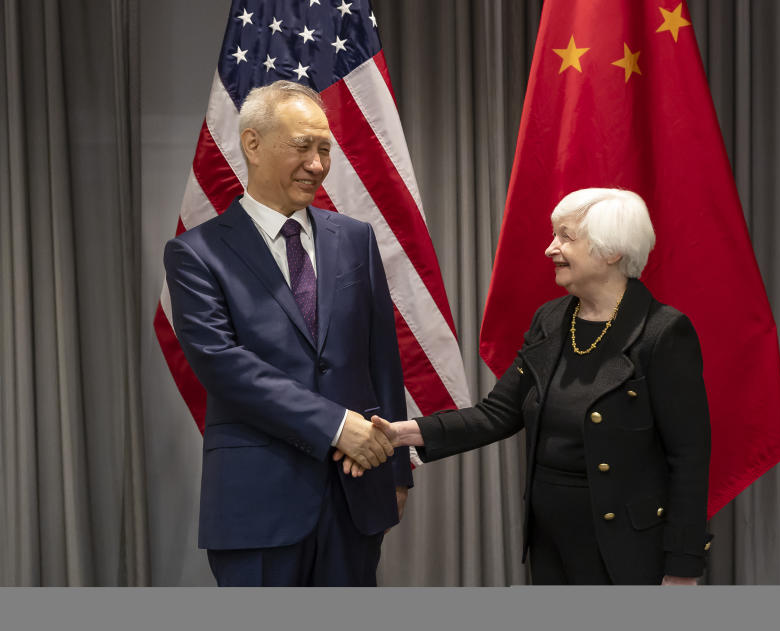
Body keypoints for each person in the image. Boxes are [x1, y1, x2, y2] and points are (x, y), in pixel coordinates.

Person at [346, 188, 711, 585]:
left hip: (627, 547)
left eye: (566, 237)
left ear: (611, 251)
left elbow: (689, 458)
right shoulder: (551, 319)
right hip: (550, 541)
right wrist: (400, 433)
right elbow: (498, 413)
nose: (550, 249)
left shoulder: (663, 332)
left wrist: (682, 567)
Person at [163, 80, 410, 587]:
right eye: (303, 146)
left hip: (356, 493)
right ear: (252, 144)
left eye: (325, 149)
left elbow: (381, 357)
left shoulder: (356, 239)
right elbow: (223, 366)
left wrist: (395, 470)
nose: (318, 164)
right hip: (258, 503)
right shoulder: (196, 254)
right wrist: (339, 426)